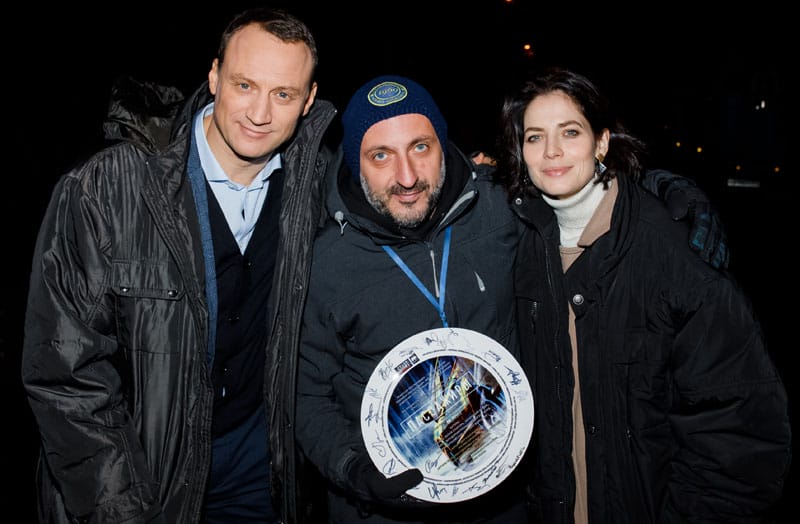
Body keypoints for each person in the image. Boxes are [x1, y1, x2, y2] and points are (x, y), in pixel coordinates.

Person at [293, 74, 729, 524]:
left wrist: (660, 189)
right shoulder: (324, 262)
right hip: (386, 509)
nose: (407, 177)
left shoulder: (500, 207)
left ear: (443, 145)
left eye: (420, 147)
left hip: (505, 503)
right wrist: (351, 468)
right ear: (355, 164)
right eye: (380, 155)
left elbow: (573, 182)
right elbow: (305, 393)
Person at [20, 7, 335, 523]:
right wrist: (120, 509)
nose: (259, 113)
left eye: (283, 94)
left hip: (259, 475)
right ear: (214, 76)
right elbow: (65, 374)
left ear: (308, 100)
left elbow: (395, 192)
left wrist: (465, 177)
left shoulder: (314, 183)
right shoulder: (107, 188)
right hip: (143, 479)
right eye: (245, 85)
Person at [494, 66, 791, 523]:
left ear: (601, 142)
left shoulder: (675, 255)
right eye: (535, 137)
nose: (551, 151)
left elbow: (739, 437)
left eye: (570, 132)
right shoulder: (525, 245)